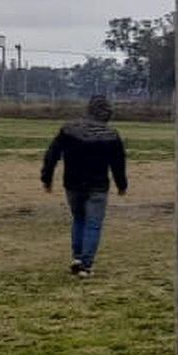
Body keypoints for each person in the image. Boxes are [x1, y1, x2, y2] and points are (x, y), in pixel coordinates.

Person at [41, 95, 127, 277]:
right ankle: (86, 265)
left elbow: (52, 154)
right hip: (98, 186)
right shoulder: (111, 135)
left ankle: (77, 257)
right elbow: (118, 164)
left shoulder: (69, 130)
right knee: (93, 224)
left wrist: (47, 178)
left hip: (72, 184)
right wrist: (122, 185)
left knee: (79, 219)